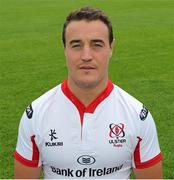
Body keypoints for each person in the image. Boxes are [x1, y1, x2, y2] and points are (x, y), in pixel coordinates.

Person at [14, 7, 163, 179]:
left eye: (97, 45)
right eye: (76, 45)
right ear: (65, 49)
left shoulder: (138, 116)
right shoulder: (35, 114)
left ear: (111, 48)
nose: (86, 55)